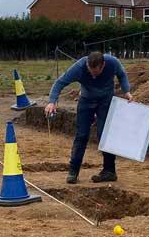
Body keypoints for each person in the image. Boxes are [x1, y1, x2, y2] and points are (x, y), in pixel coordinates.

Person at [45, 51, 132, 184]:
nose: (93, 75)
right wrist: (52, 101)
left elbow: (122, 75)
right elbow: (60, 82)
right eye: (90, 71)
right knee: (81, 135)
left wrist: (127, 91)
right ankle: (73, 172)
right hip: (86, 101)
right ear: (87, 64)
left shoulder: (112, 63)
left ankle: (109, 171)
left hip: (105, 101)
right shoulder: (79, 68)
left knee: (105, 135)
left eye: (95, 72)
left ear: (103, 65)